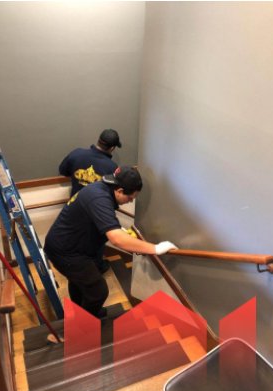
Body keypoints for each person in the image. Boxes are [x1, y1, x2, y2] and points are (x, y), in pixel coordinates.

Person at [44, 166, 176, 319]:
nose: (131, 201)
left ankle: (82, 313)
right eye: (130, 197)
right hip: (66, 251)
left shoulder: (101, 188)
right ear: (119, 190)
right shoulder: (99, 198)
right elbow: (117, 239)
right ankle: (82, 326)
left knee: (80, 283)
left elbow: (100, 219)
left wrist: (119, 229)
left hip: (71, 245)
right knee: (98, 291)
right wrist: (156, 249)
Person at [58, 129, 122, 272]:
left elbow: (63, 170)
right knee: (96, 243)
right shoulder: (112, 168)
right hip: (97, 212)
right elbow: (113, 194)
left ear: (98, 140)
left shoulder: (76, 154)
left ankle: (78, 268)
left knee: (76, 241)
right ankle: (97, 268)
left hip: (75, 208)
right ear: (113, 147)